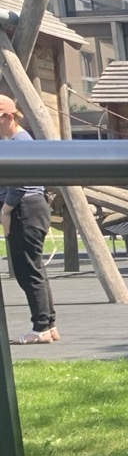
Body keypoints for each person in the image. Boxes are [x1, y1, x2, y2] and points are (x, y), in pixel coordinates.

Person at [0, 96, 58, 344]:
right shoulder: (14, 142)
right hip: (30, 208)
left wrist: (6, 211)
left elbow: (20, 183)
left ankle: (41, 328)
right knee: (34, 269)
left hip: (24, 208)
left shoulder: (19, 142)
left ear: (9, 117)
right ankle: (48, 325)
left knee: (27, 271)